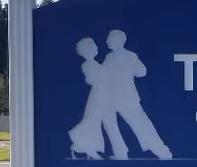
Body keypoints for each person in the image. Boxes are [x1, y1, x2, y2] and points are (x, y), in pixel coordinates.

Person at [101, 29, 172, 160]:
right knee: (109, 122)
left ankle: (161, 150)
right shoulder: (109, 57)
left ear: (118, 41)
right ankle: (120, 152)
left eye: (110, 38)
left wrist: (126, 69)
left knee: (140, 123)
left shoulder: (129, 56)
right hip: (111, 96)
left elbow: (142, 71)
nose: (107, 41)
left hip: (127, 96)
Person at [68, 37, 127, 159]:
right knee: (93, 122)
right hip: (99, 97)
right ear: (87, 50)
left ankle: (120, 152)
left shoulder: (95, 64)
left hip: (105, 97)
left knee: (109, 123)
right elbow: (92, 80)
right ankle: (86, 146)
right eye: (93, 46)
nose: (96, 48)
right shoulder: (88, 65)